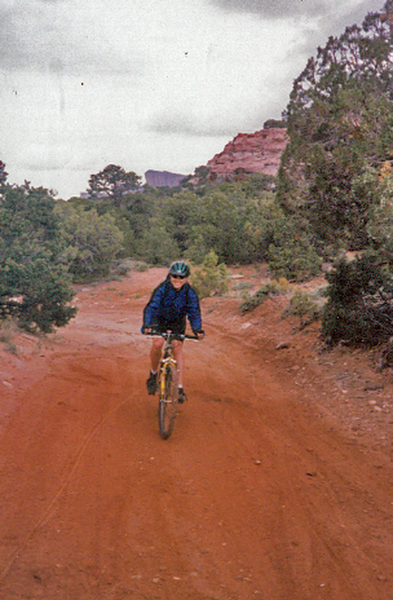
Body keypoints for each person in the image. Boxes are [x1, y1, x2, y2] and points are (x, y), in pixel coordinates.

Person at [141, 261, 204, 403]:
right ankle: (153, 374)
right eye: (174, 276)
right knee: (158, 343)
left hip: (177, 321)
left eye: (181, 277)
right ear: (170, 276)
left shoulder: (189, 292)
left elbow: (194, 311)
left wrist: (197, 329)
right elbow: (152, 306)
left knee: (177, 347)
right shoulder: (163, 288)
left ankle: (179, 388)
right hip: (160, 319)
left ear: (186, 278)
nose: (177, 279)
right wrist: (147, 324)